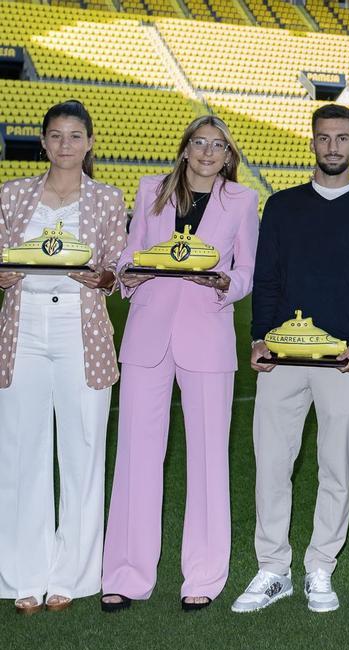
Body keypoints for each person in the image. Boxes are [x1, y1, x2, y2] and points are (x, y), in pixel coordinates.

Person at [231, 104, 349, 614]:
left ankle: (321, 566)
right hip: (281, 358)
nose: (332, 147)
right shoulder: (282, 207)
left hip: (342, 360)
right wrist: (260, 338)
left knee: (335, 467)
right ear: (312, 143)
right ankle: (272, 569)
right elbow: (268, 281)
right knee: (272, 465)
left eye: (342, 138)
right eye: (324, 138)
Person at [99, 116, 259, 613]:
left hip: (207, 335)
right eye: (200, 143)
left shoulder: (243, 201)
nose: (209, 152)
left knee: (210, 458)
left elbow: (246, 270)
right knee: (135, 456)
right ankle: (126, 574)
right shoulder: (151, 189)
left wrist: (224, 285)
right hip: (148, 333)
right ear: (186, 148)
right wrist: (131, 272)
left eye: (218, 145)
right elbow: (128, 256)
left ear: (228, 155)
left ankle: (205, 576)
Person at [0, 100, 127, 614]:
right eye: (56, 136)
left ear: (89, 142)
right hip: (23, 327)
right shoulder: (10, 195)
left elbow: (116, 268)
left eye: (75, 136)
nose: (65, 145)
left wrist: (104, 278)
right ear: (43, 140)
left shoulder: (108, 200)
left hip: (82, 330)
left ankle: (71, 576)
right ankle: (23, 575)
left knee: (82, 452)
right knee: (22, 454)